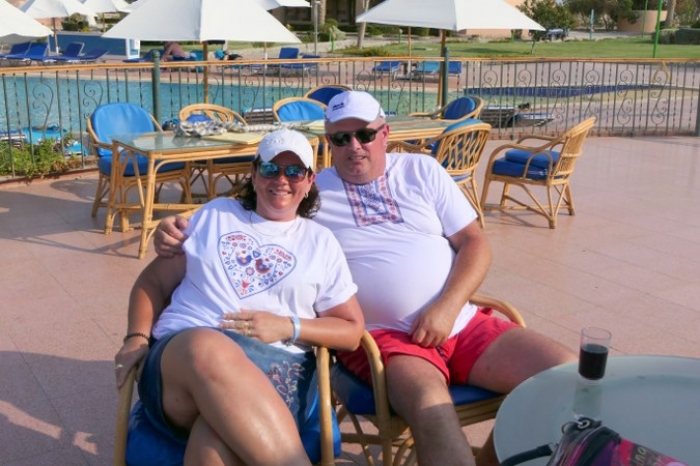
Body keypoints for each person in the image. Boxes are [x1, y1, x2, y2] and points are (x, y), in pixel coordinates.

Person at [154, 92, 576, 466]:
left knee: (569, 378)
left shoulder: (423, 171)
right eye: (341, 138)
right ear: (329, 144)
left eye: (364, 134)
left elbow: (474, 243)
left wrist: (447, 308)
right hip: (384, 339)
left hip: (461, 321)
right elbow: (250, 212)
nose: (354, 146)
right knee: (432, 407)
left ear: (385, 133)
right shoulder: (309, 191)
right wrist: (173, 230)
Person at [115, 128, 364, 466]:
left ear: (309, 181)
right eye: (270, 168)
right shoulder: (215, 215)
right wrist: (136, 337)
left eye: (294, 171)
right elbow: (153, 282)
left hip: (277, 370)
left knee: (213, 444)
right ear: (254, 173)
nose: (282, 179)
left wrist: (288, 326)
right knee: (207, 347)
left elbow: (351, 329)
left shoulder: (321, 242)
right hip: (183, 363)